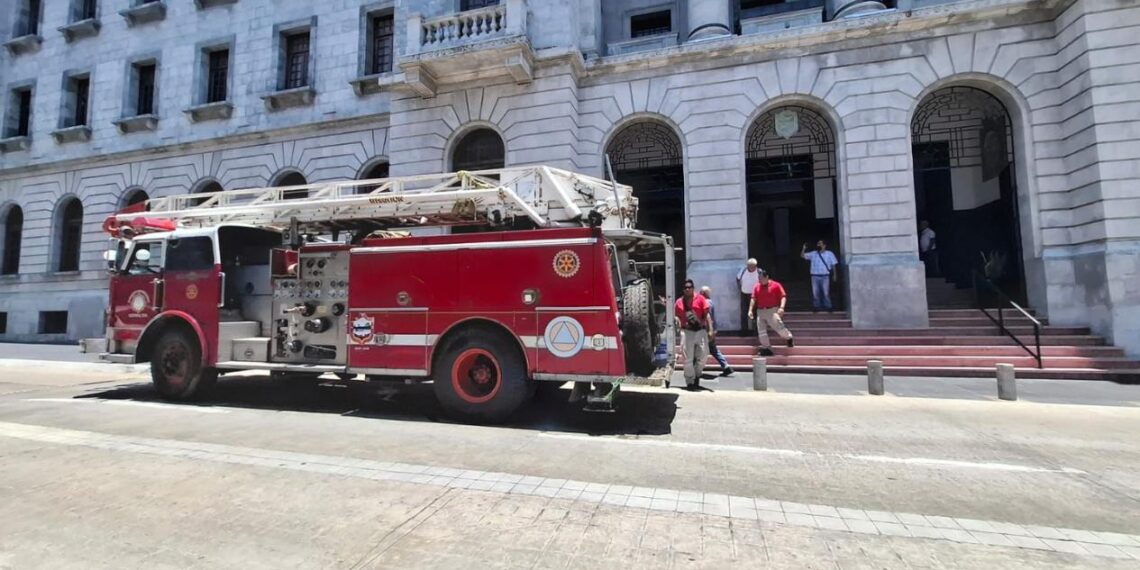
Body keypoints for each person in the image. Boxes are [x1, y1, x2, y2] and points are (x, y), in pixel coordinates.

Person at [674, 279, 714, 390]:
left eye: (689, 287)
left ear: (693, 288)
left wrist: (710, 329)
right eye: (685, 287)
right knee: (687, 358)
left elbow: (707, 315)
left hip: (700, 331)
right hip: (686, 332)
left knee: (703, 355)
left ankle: (697, 375)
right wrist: (677, 321)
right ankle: (690, 381)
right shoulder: (679, 302)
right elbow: (676, 315)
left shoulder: (700, 299)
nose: (687, 289)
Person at [747, 270, 794, 357]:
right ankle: (767, 348)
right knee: (761, 331)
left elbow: (783, 296)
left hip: (772, 310)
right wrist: (750, 310)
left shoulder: (776, 285)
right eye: (759, 278)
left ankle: (788, 337)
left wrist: (782, 307)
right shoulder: (757, 286)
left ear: (767, 277)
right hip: (760, 311)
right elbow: (753, 298)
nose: (760, 280)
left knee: (778, 327)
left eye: (761, 278)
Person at [700, 286, 735, 377]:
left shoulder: (706, 303)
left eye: (700, 292)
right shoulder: (711, 302)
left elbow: (708, 317)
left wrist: (709, 330)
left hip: (706, 330)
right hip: (711, 330)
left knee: (699, 349)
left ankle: (696, 369)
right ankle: (726, 366)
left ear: (703, 294)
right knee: (713, 349)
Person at [801, 240, 838, 313]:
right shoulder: (814, 253)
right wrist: (804, 248)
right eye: (818, 244)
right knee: (815, 293)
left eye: (820, 244)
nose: (819, 245)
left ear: (824, 245)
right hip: (815, 276)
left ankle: (828, 307)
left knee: (826, 292)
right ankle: (816, 307)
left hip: (825, 276)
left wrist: (835, 274)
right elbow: (803, 255)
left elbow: (834, 265)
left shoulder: (829, 254)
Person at [736, 258, 761, 334]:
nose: (750, 267)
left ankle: (756, 330)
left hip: (755, 295)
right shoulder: (743, 270)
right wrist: (740, 288)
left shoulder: (759, 271)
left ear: (755, 266)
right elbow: (737, 278)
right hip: (744, 293)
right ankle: (744, 330)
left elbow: (763, 281)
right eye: (749, 266)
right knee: (744, 312)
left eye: (752, 266)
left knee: (756, 313)